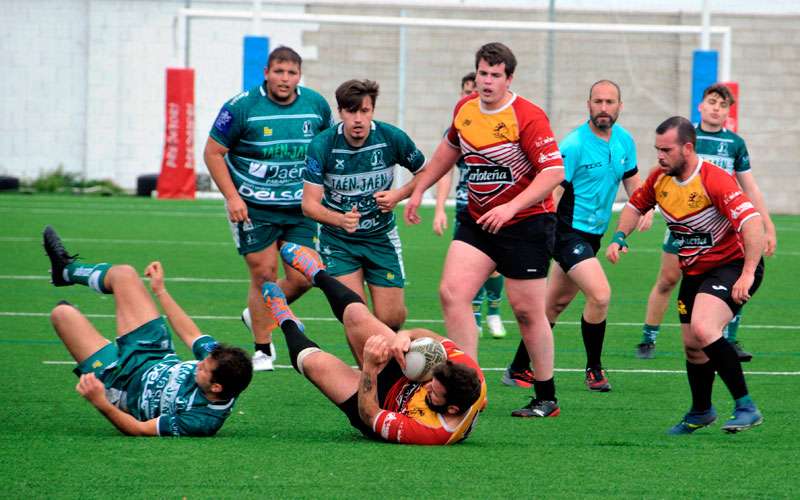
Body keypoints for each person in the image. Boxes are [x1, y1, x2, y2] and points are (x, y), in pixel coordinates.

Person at [404, 42, 565, 418]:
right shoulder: (465, 109)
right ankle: (469, 383)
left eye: (495, 75)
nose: (487, 81)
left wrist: (510, 207)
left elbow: (554, 172)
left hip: (526, 223)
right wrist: (416, 192)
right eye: (482, 73)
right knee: (452, 293)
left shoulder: (527, 115)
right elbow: (446, 154)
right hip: (478, 221)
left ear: (509, 79)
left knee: (527, 312)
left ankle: (547, 397)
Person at [606, 116, 765, 434]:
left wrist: (747, 273)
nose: (660, 156)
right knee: (693, 345)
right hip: (695, 271)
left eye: (666, 150)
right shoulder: (659, 179)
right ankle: (701, 411)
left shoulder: (714, 180)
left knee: (705, 328)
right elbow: (635, 207)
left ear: (688, 148)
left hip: (731, 265)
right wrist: (619, 237)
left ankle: (746, 407)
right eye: (657, 149)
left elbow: (752, 223)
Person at [503, 80, 652, 391]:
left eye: (610, 102)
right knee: (600, 295)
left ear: (620, 107)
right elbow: (553, 190)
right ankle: (594, 370)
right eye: (598, 102)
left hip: (593, 237)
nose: (603, 108)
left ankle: (518, 367)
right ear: (588, 105)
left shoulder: (624, 141)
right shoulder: (574, 145)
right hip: (567, 233)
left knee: (552, 306)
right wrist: (541, 239)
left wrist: (645, 206)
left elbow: (632, 178)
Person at [266, 242, 486, 445]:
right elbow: (426, 335)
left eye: (434, 392)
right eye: (432, 381)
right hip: (401, 370)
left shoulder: (429, 431)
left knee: (313, 364)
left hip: (377, 403)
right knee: (356, 315)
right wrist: (405, 335)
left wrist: (369, 368)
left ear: (452, 408)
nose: (426, 385)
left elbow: (369, 415)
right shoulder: (466, 371)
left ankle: (286, 321)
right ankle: (318, 274)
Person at [43, 226, 253, 437]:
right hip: (153, 352)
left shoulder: (201, 421)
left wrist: (100, 402)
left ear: (216, 387)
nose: (199, 363)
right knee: (124, 274)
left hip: (119, 382)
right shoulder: (220, 360)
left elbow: (138, 429)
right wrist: (160, 291)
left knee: (62, 314)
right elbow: (191, 334)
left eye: (204, 369)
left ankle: (103, 351)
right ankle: (64, 271)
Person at [204, 46, 334, 371]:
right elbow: (213, 152)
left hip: (299, 207)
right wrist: (233, 197)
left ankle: (258, 313)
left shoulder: (316, 105)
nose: (284, 79)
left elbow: (329, 145)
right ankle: (263, 348)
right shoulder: (241, 107)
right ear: (266, 72)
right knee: (264, 274)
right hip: (253, 207)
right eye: (279, 71)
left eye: (291, 73)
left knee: (305, 276)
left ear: (299, 76)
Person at [635, 84, 776, 361]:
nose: (716, 108)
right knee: (668, 279)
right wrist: (647, 208)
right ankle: (648, 337)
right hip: (684, 225)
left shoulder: (734, 143)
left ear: (728, 112)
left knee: (732, 277)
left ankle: (728, 339)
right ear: (700, 105)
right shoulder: (687, 136)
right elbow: (659, 175)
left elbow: (749, 187)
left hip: (720, 227)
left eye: (722, 105)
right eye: (711, 102)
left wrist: (767, 224)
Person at [302, 79, 425, 330]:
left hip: (381, 237)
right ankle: (367, 370)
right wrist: (340, 219)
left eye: (364, 111)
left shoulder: (391, 137)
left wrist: (398, 194)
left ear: (372, 111)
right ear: (340, 113)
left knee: (391, 319)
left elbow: (426, 172)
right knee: (355, 315)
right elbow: (309, 205)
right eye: (351, 111)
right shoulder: (322, 145)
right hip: (338, 241)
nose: (358, 119)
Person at [433, 71, 508, 340]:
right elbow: (445, 170)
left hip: (496, 206)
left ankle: (495, 312)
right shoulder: (459, 127)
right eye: (466, 92)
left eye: (473, 91)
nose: (470, 96)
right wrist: (440, 207)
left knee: (496, 265)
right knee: (468, 264)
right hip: (466, 205)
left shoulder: (501, 125)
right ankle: (475, 314)